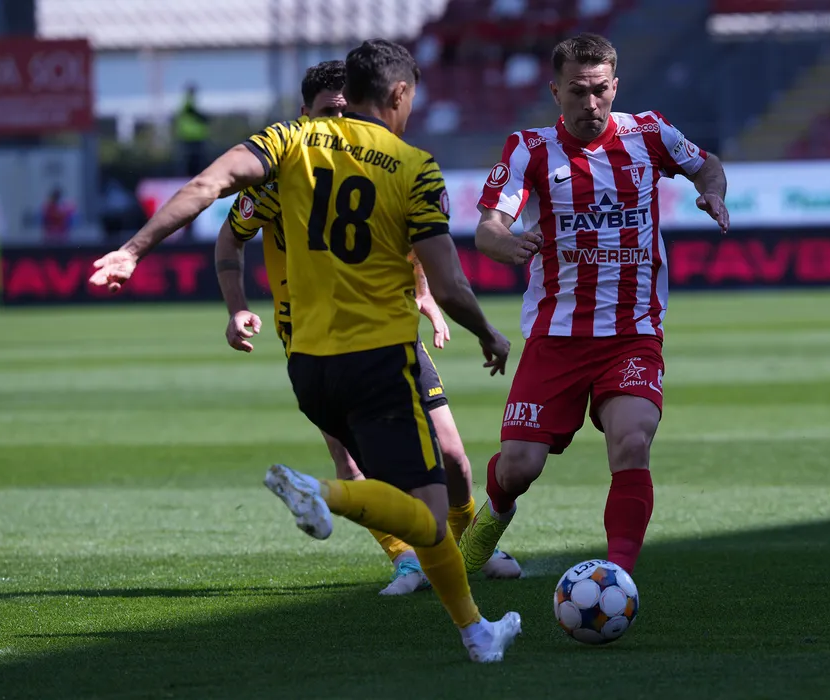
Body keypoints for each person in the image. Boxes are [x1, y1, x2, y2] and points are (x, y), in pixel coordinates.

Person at [88, 39, 522, 664]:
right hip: (381, 358)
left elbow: (208, 184)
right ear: (399, 94)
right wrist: (486, 331)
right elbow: (452, 283)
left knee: (414, 490)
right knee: (425, 517)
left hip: (310, 366)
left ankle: (478, 634)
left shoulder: (288, 143)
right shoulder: (414, 167)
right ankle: (325, 495)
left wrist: (133, 250)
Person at [215, 60, 521, 595]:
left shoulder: (383, 163)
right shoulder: (283, 175)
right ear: (304, 113)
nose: (338, 120)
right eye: (327, 111)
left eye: (345, 109)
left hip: (387, 330)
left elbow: (413, 237)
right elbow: (230, 236)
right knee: (350, 460)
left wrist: (424, 293)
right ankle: (405, 559)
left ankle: (469, 543)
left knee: (451, 454)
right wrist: (236, 307)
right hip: (311, 337)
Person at [458, 33, 730, 577]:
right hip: (557, 337)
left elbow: (707, 164)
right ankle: (493, 515)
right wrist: (507, 244)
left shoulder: (650, 133)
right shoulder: (529, 149)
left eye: (600, 89)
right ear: (555, 91)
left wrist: (714, 192)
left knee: (632, 441)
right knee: (518, 467)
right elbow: (488, 227)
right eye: (578, 91)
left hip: (632, 333)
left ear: (615, 86)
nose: (590, 103)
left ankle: (618, 576)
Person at [175, 84, 210, 177]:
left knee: (194, 161)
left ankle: (191, 176)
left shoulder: (189, 102)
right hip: (191, 136)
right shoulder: (188, 103)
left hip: (193, 136)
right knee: (192, 161)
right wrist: (203, 118)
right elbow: (193, 112)